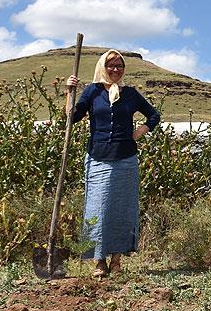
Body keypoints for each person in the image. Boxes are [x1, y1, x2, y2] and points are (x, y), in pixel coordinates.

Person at [66, 49, 160, 277]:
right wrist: (70, 91)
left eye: (119, 66)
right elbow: (72, 117)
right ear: (103, 67)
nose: (115, 70)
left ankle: (116, 261)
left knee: (121, 209)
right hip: (97, 158)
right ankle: (99, 261)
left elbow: (154, 115)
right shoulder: (93, 91)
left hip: (126, 159)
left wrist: (140, 131)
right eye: (111, 66)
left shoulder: (130, 93)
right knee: (96, 209)